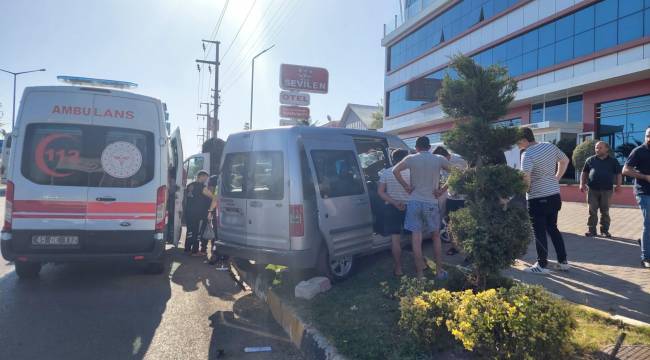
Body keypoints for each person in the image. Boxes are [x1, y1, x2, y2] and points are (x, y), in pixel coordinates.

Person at [393, 136, 451, 279]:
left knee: (416, 238)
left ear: (417, 147)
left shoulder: (411, 158)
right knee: (436, 236)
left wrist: (406, 186)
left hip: (414, 201)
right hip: (431, 201)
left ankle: (420, 274)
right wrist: (442, 190)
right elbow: (456, 173)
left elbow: (395, 170)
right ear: (429, 147)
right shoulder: (438, 158)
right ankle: (438, 271)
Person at [517, 127, 570, 274]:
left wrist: (525, 190)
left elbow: (526, 176)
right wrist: (556, 178)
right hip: (554, 195)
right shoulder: (549, 146)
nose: (517, 145)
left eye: (517, 141)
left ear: (524, 139)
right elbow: (565, 160)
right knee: (553, 228)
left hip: (537, 197)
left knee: (539, 231)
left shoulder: (527, 154)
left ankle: (541, 265)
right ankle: (563, 261)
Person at [377, 149, 410, 276]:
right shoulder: (411, 172)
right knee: (414, 237)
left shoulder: (386, 172)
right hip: (409, 206)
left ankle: (398, 268)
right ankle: (421, 264)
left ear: (393, 159)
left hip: (392, 207)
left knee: (395, 240)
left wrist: (395, 203)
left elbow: (380, 192)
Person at [580, 141, 622, 238]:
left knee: (605, 211)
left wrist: (619, 185)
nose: (597, 149)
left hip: (607, 190)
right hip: (592, 189)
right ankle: (591, 231)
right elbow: (584, 173)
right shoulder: (590, 160)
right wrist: (581, 184)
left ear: (606, 149)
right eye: (596, 148)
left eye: (600, 148)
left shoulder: (613, 161)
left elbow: (619, 174)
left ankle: (605, 231)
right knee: (592, 211)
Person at [622, 128, 650, 269]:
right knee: (649, 223)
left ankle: (645, 242)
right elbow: (625, 170)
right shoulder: (638, 151)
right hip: (643, 192)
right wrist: (645, 177)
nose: (649, 138)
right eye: (648, 135)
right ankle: (645, 257)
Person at [433, 146, 468, 256]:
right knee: (450, 223)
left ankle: (466, 248)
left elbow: (454, 177)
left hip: (463, 198)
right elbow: (444, 179)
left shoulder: (458, 161)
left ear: (444, 156)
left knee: (463, 224)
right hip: (451, 197)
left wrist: (442, 190)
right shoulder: (443, 162)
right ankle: (455, 246)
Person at [184, 170, 214, 256]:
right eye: (205, 177)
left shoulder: (189, 185)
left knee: (190, 231)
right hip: (198, 213)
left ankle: (187, 249)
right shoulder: (201, 187)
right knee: (197, 232)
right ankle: (195, 251)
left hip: (189, 212)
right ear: (201, 176)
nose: (206, 179)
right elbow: (212, 197)